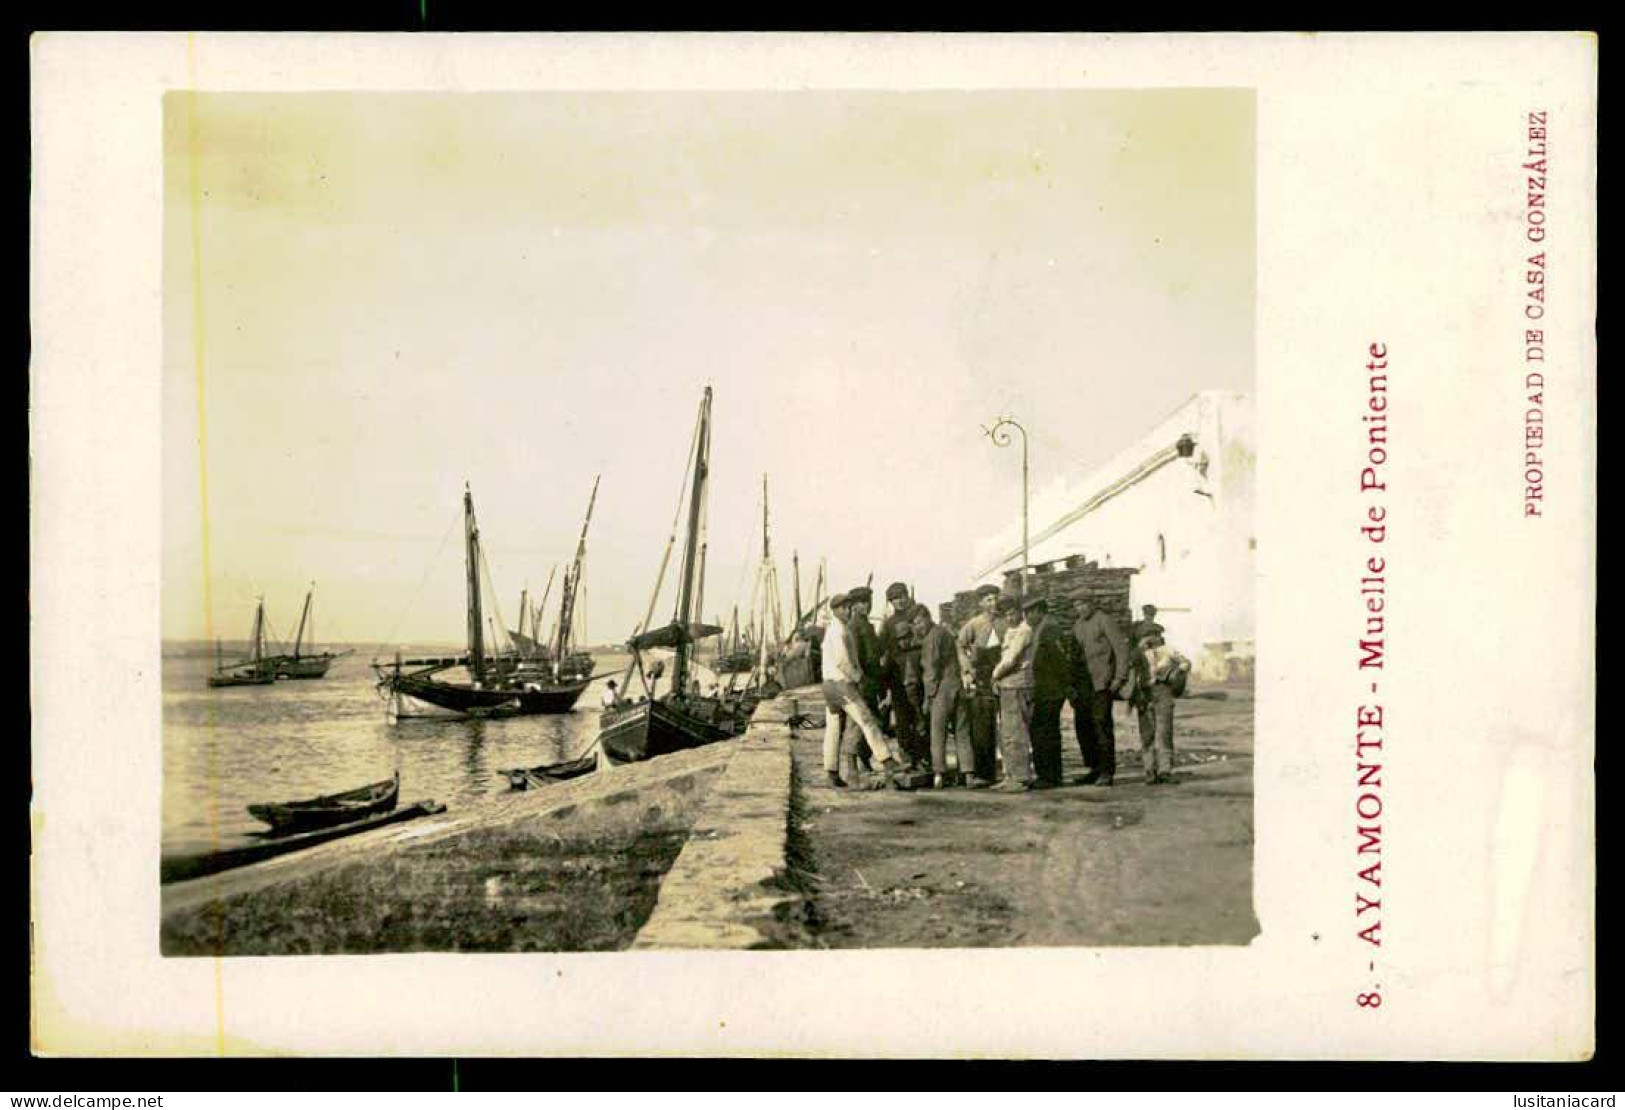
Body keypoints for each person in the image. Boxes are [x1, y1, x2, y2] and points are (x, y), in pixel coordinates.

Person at [820, 591, 905, 790]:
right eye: (844, 608)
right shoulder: (839, 631)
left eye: (849, 607)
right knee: (866, 720)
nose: (848, 610)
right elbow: (843, 662)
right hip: (841, 684)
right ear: (835, 610)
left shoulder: (835, 629)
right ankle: (886, 760)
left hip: (828, 685)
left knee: (833, 729)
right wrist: (860, 679)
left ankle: (831, 772)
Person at [1069, 590, 1131, 787]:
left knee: (1102, 727)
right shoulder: (1077, 626)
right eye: (1077, 605)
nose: (1081, 608)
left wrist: (1119, 679)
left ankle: (1106, 771)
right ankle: (1093, 768)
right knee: (1083, 728)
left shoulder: (1104, 620)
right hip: (1083, 685)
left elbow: (1122, 650)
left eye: (1084, 604)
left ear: (1092, 603)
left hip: (1102, 684)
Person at [952, 584, 1003, 787]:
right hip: (981, 676)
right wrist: (966, 670)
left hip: (1003, 674)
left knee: (1006, 724)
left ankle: (1010, 770)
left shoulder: (1005, 622)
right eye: (988, 600)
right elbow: (959, 645)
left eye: (995, 598)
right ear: (981, 603)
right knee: (983, 725)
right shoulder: (974, 624)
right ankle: (985, 772)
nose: (993, 603)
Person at [989, 595, 1042, 791]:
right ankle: (1011, 774)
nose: (1010, 617)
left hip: (1017, 685)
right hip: (1009, 685)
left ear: (1021, 612)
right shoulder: (1012, 631)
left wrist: (994, 675)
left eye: (1013, 613)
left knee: (1016, 732)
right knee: (1008, 733)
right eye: (1006, 615)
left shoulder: (1023, 631)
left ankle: (1020, 777)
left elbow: (1010, 659)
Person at [1128, 630, 1192, 784]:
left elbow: (1186, 663)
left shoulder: (1168, 650)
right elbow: (1128, 664)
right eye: (1145, 634)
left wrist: (1174, 673)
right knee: (1147, 735)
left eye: (1153, 634)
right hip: (1144, 694)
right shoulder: (1138, 653)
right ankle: (1149, 771)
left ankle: (1165, 771)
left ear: (1158, 636)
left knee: (1164, 733)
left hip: (1163, 691)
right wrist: (1138, 649)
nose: (1149, 638)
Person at [879, 581, 927, 769]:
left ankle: (923, 758)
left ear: (908, 596)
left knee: (922, 717)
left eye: (902, 597)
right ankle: (907, 756)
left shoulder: (919, 615)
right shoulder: (889, 624)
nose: (899, 601)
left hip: (921, 675)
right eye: (895, 599)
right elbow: (882, 650)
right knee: (902, 719)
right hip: (898, 678)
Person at [913, 603, 961, 789]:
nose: (918, 627)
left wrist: (928, 699)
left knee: (937, 732)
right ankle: (967, 772)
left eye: (919, 622)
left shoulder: (931, 638)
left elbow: (931, 672)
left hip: (943, 689)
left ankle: (939, 774)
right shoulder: (945, 632)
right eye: (915, 624)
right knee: (961, 731)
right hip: (958, 687)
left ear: (927, 618)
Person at [1027, 596, 1072, 789]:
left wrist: (1065, 686)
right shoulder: (1041, 628)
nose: (1027, 616)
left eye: (1029, 612)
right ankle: (1048, 774)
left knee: (1045, 732)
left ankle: (1049, 776)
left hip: (1050, 690)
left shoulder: (1049, 628)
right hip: (1045, 689)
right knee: (1043, 731)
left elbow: (1059, 661)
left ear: (1039, 610)